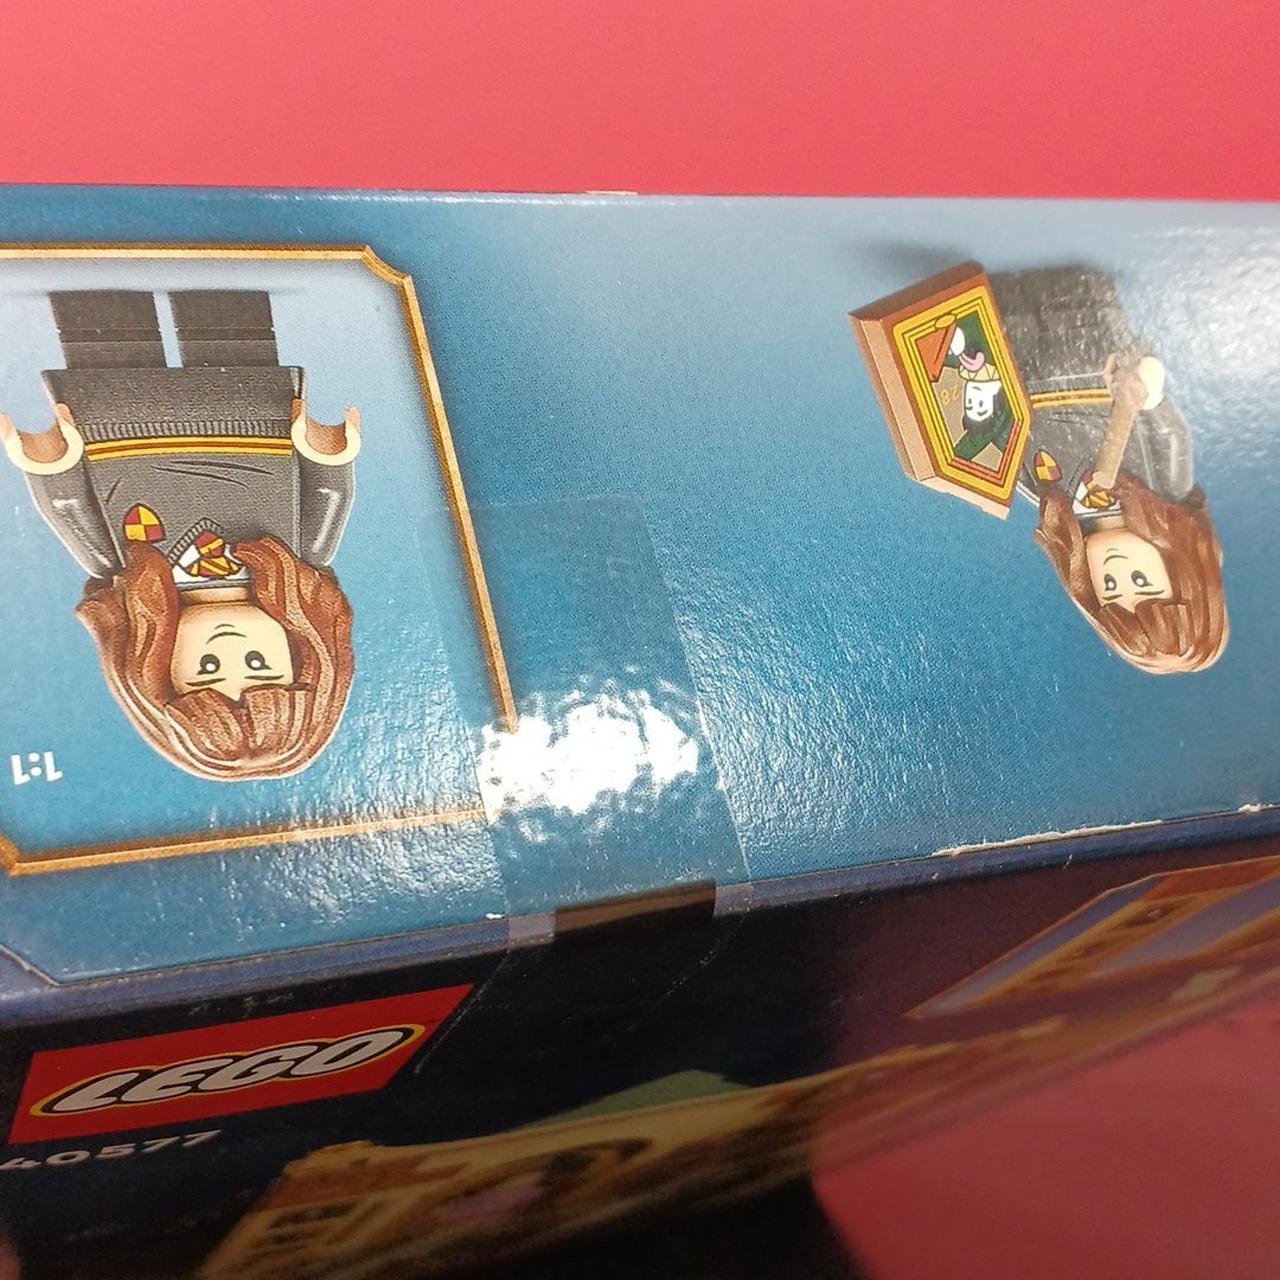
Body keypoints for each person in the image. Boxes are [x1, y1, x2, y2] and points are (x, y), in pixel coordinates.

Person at [0, 289, 359, 778]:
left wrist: (51, 465)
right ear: (303, 654)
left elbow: (70, 512)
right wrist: (326, 454)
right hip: (247, 410)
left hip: (114, 415)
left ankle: (98, 297)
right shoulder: (296, 552)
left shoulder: (124, 567)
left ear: (160, 674)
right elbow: (328, 497)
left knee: (103, 326)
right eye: (260, 664)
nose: (229, 648)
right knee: (228, 319)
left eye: (206, 673)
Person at [993, 267, 1227, 673]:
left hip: (1020, 366)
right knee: (1071, 294)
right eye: (1141, 581)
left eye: (1112, 588)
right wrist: (1146, 390)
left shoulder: (1056, 506)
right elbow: (1168, 430)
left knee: (1004, 304)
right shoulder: (1161, 485)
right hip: (1093, 356)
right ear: (1180, 568)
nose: (1117, 570)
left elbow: (1009, 453)